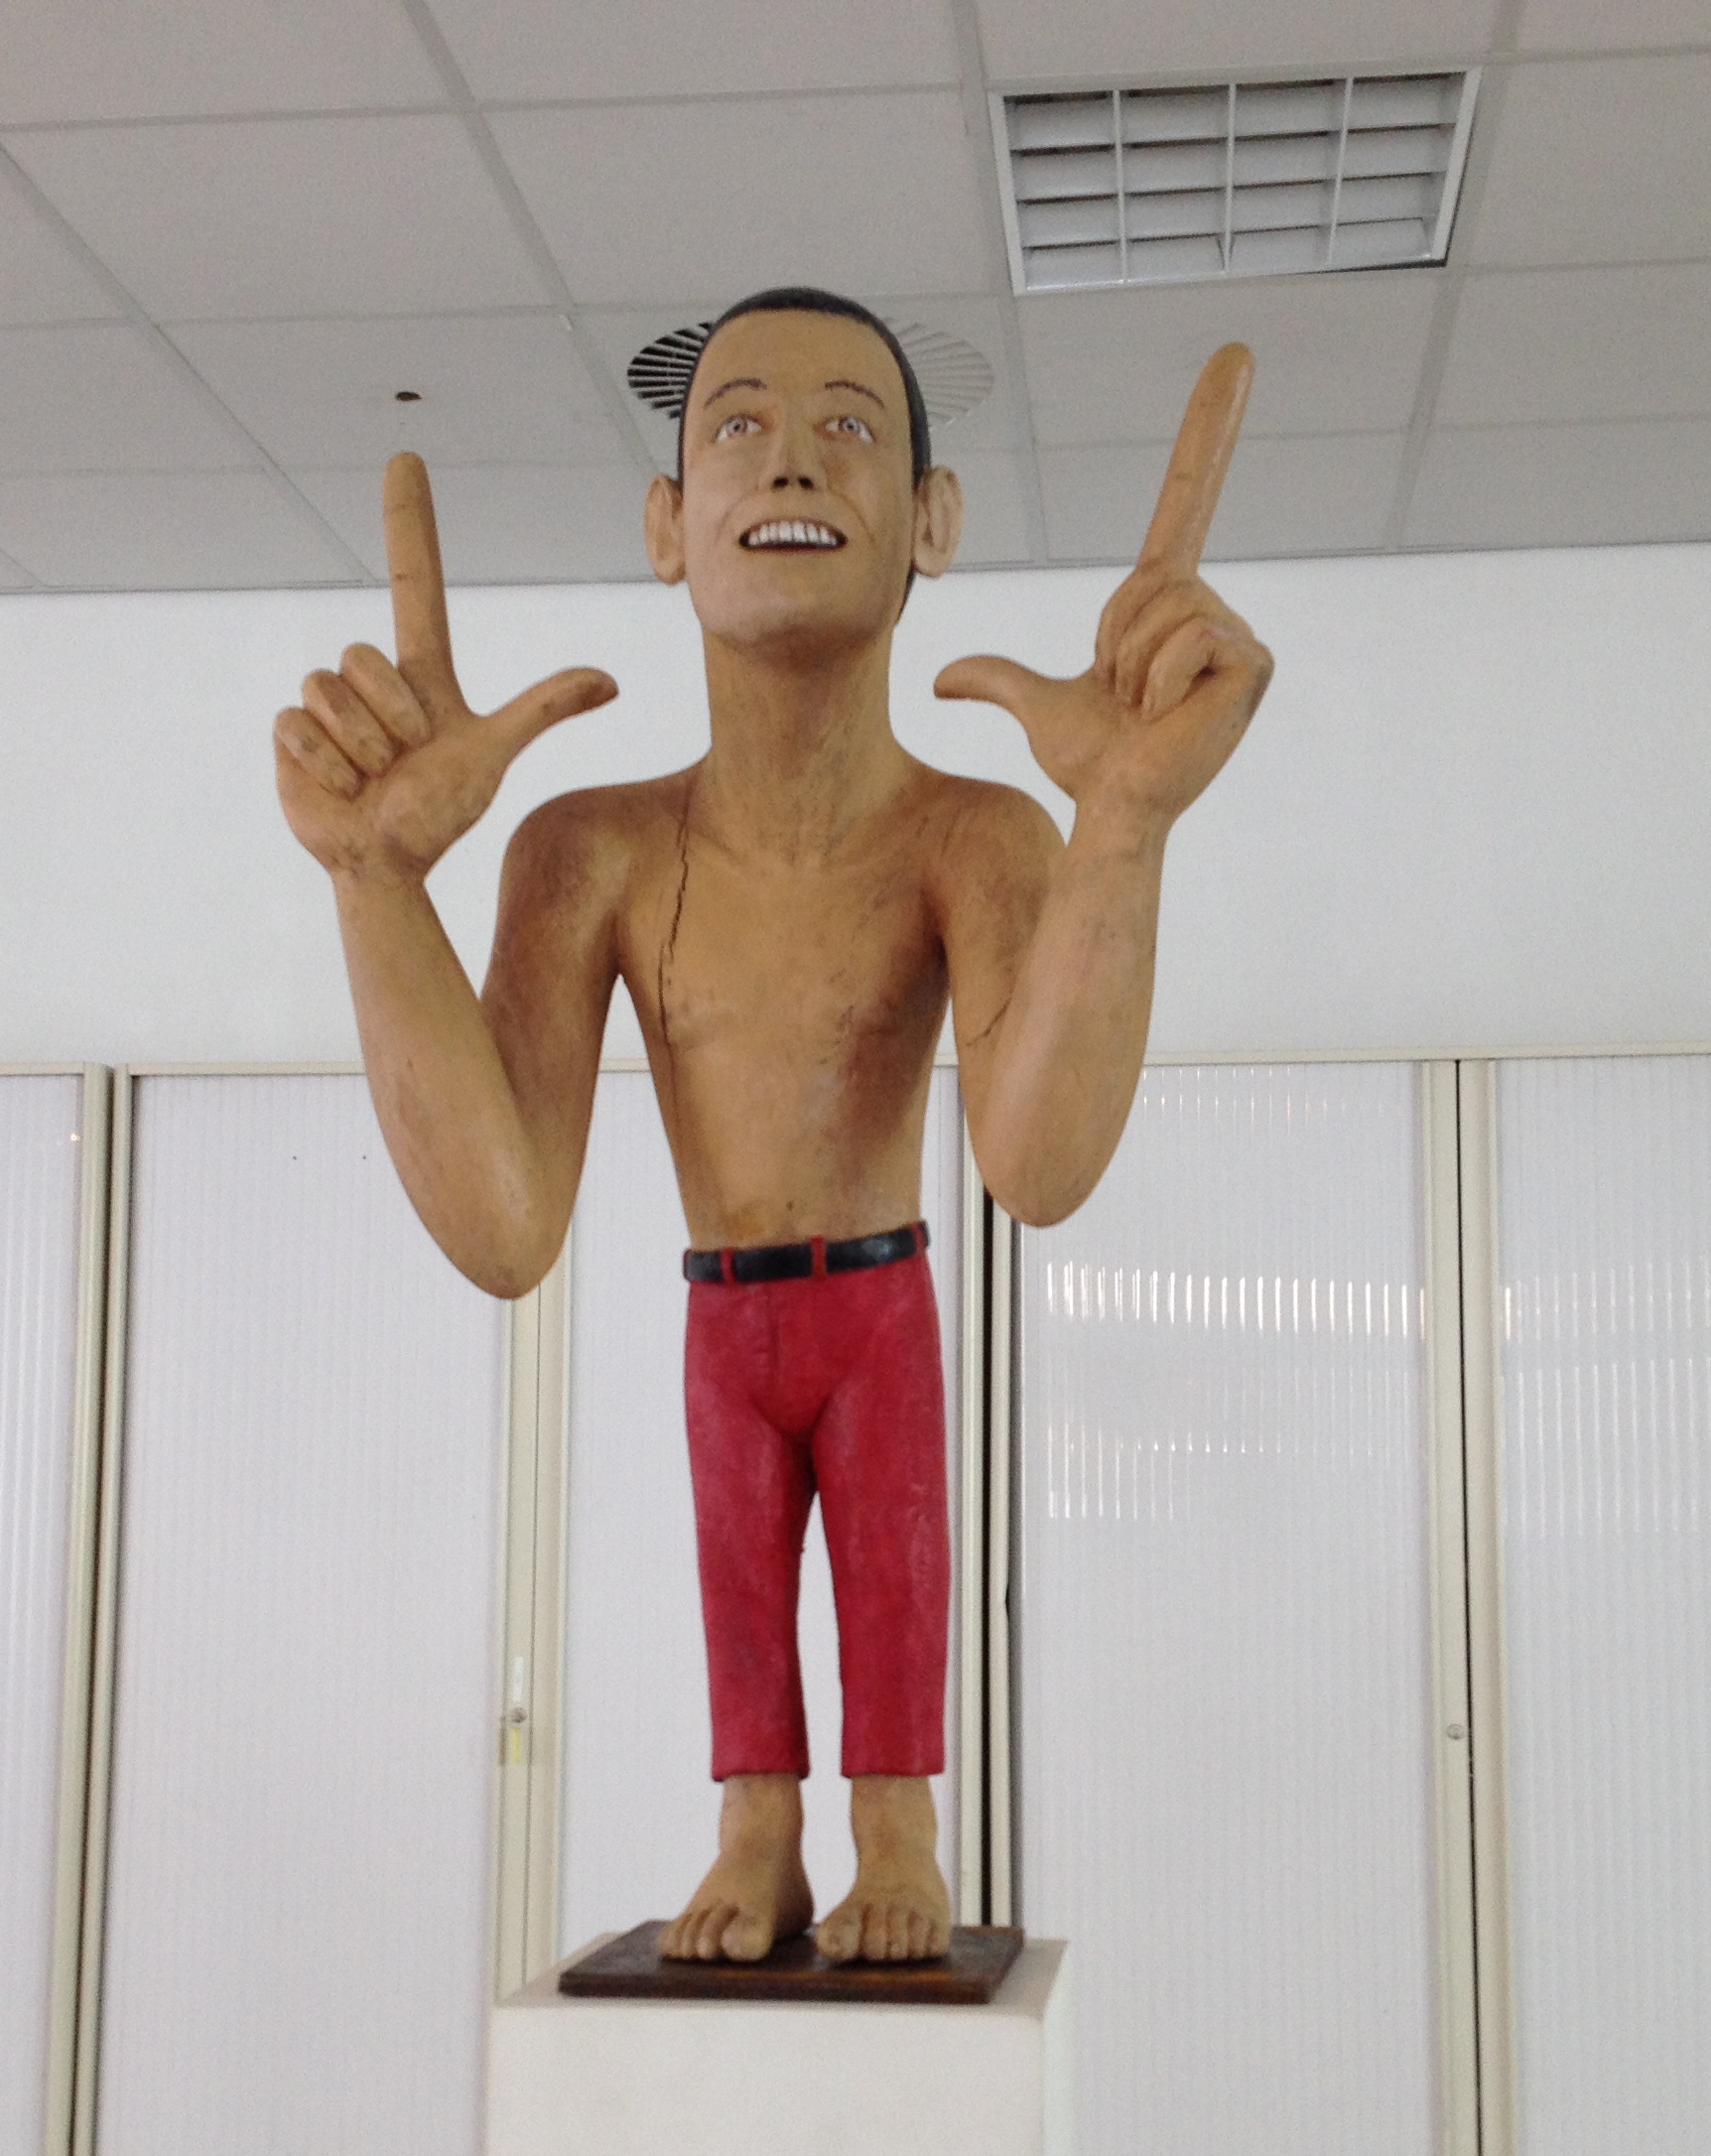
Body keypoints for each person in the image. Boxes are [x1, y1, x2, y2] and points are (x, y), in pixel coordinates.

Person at [273, 287, 1271, 1962]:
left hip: (876, 1301)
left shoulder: (978, 836)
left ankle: (895, 1826)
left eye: (847, 428)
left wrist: (1122, 830)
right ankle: (758, 1824)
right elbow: (504, 1226)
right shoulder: (588, 851)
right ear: (669, 525)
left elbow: (1040, 1163)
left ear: (930, 521)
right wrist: (372, 885)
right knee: (739, 1579)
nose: (788, 461)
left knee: (891, 1569)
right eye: (736, 425)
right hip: (725, 1310)